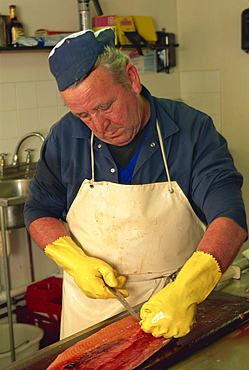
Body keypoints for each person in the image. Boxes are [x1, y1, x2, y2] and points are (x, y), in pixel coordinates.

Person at [24, 28, 247, 340]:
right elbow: (39, 210)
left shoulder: (192, 129)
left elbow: (230, 217)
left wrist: (188, 290)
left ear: (131, 78)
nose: (99, 125)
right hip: (90, 315)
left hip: (176, 309)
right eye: (83, 114)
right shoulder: (65, 136)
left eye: (104, 107)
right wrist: (73, 261)